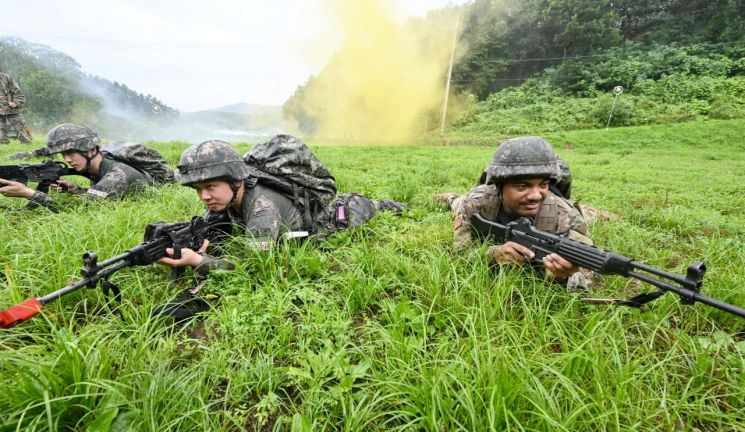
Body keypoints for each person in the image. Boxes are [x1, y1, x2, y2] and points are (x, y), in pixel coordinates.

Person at [158, 139, 405, 275]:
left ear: (236, 181)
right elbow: (215, 228)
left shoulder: (262, 209)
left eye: (210, 187)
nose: (204, 196)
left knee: (363, 207)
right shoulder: (224, 197)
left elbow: (252, 266)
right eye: (198, 189)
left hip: (333, 217)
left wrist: (197, 261)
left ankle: (387, 204)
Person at [436, 136, 592, 291]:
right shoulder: (475, 204)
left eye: (543, 185)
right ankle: (449, 196)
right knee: (456, 202)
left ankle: (594, 211)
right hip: (472, 201)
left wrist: (565, 276)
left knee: (587, 213)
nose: (536, 195)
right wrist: (492, 254)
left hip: (561, 208)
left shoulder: (567, 217)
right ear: (499, 186)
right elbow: (461, 253)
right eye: (522, 187)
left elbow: (591, 279)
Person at [0, 123, 152, 208]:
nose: (68, 160)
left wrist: (29, 193)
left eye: (71, 153)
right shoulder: (98, 167)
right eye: (63, 155)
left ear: (91, 149)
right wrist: (77, 190)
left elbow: (79, 210)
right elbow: (100, 194)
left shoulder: (116, 175)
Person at [0, 72, 32, 144]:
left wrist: (16, 103)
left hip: (11, 108)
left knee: (23, 129)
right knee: (1, 136)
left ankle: (28, 141)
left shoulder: (5, 77)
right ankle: (3, 143)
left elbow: (17, 91)